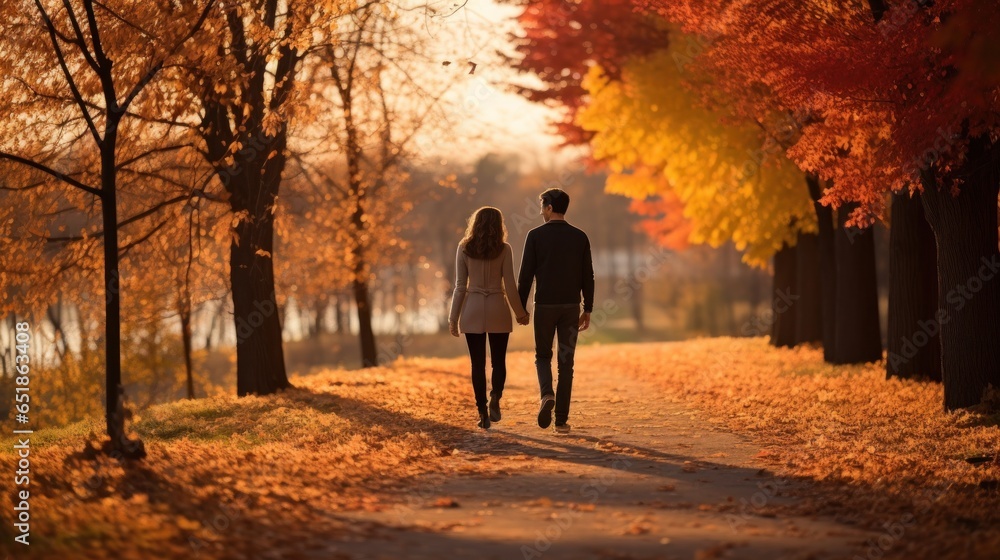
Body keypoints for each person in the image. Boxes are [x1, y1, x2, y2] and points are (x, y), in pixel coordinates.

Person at [518, 188, 594, 434]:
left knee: (542, 356)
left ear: (549, 207)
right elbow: (587, 276)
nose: (541, 211)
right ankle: (561, 421)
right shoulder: (580, 236)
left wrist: (521, 309)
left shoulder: (535, 236)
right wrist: (588, 308)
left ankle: (546, 394)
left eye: (542, 206)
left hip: (544, 306)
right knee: (566, 363)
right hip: (571, 306)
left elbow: (525, 276)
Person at [449, 207, 530, 430]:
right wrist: (520, 313)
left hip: (473, 308)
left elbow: (460, 287)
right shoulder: (504, 249)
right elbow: (511, 285)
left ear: (475, 223)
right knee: (498, 361)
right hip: (497, 307)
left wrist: (453, 318)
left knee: (477, 364)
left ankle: (483, 412)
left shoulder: (464, 248)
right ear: (499, 225)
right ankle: (495, 396)